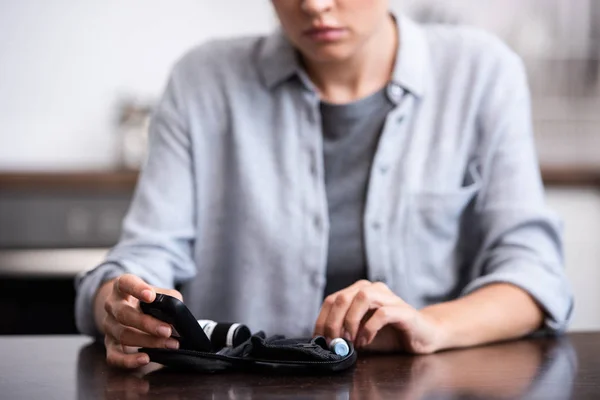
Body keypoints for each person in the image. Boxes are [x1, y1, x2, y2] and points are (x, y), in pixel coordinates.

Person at [75, 0, 573, 369]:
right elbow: (140, 257)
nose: (313, 5)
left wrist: (432, 326)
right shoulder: (202, 80)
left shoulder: (482, 73)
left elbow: (534, 274)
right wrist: (117, 308)